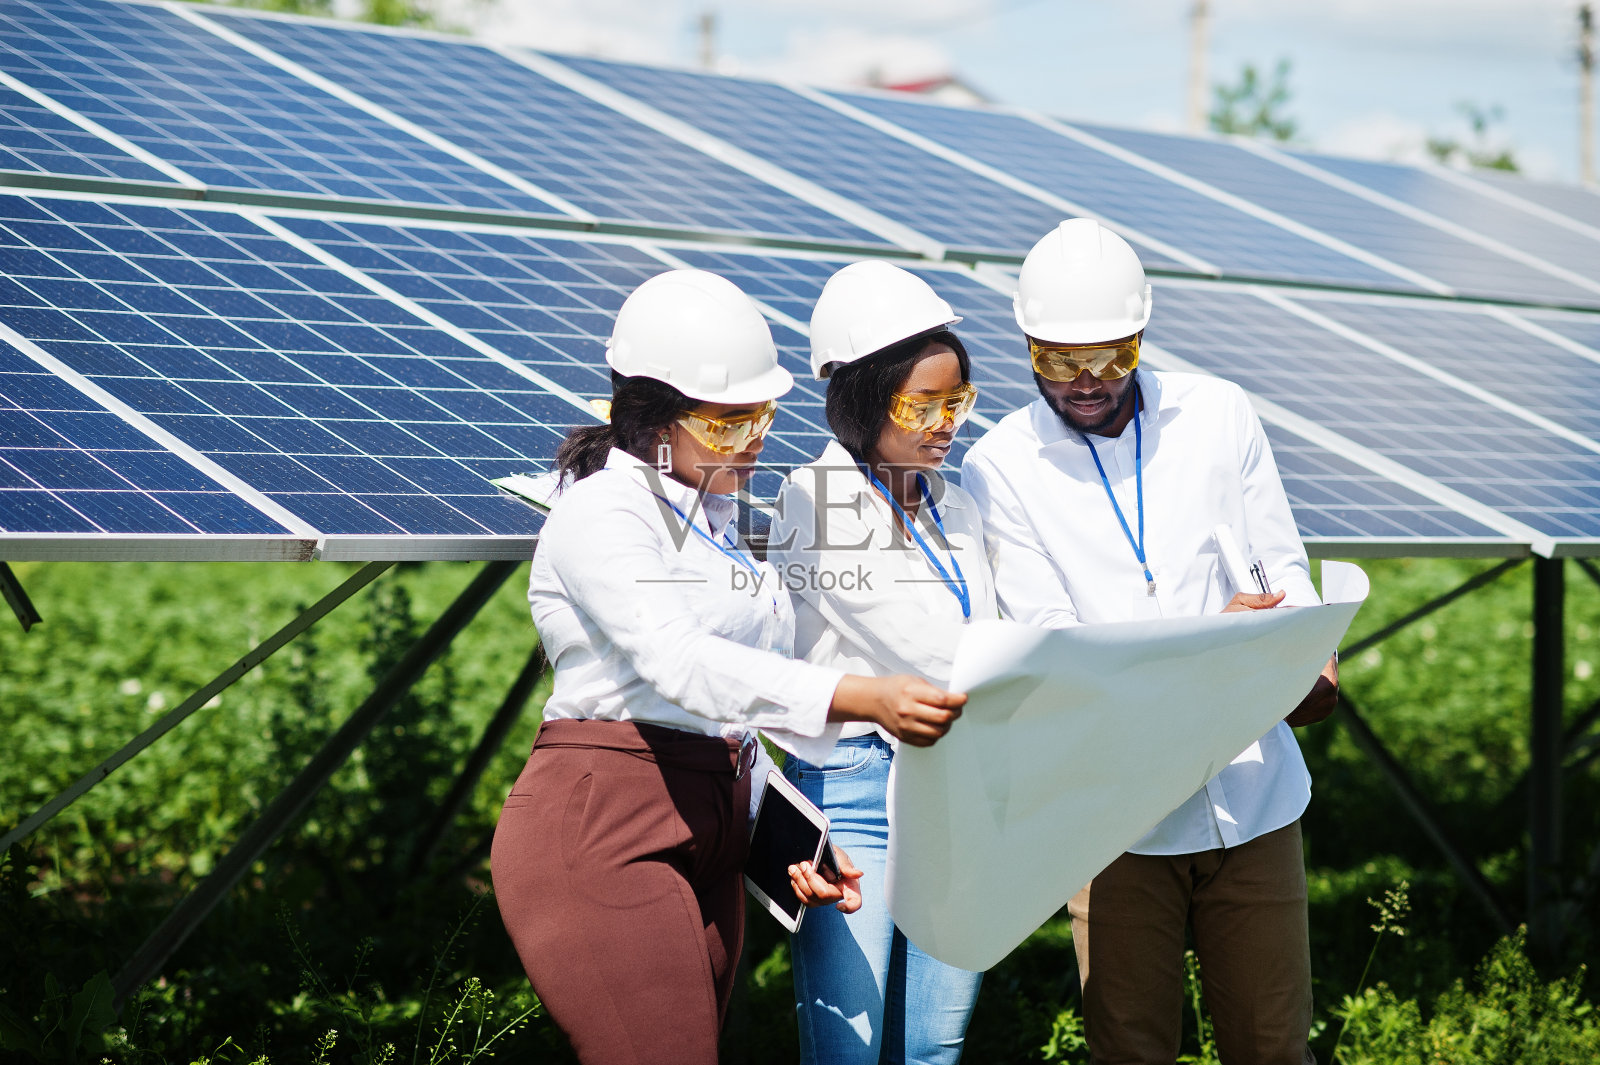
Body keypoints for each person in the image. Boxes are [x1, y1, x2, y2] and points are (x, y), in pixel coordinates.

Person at [489, 268, 968, 1065]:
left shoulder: (714, 517)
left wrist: (788, 835)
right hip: (606, 819)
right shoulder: (602, 512)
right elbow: (677, 662)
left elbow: (730, 710)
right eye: (725, 422)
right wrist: (861, 696)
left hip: (713, 821)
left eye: (762, 416)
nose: (752, 440)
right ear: (650, 419)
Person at [960, 220, 1338, 1065]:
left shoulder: (1219, 413)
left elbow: (1281, 562)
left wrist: (1305, 646)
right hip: (1114, 816)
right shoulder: (1000, 466)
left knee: (1274, 1047)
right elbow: (1059, 652)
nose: (1088, 380)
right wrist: (1221, 650)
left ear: (1142, 333)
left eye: (1111, 355)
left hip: (1253, 793)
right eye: (1060, 359)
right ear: (1025, 344)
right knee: (1130, 1051)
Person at [768, 261, 997, 1065]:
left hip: (955, 784)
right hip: (852, 790)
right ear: (864, 401)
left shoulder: (958, 504)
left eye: (956, 402)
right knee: (850, 1048)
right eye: (920, 405)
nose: (945, 424)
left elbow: (990, 634)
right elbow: (929, 646)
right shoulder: (812, 496)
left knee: (933, 1047)